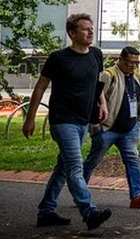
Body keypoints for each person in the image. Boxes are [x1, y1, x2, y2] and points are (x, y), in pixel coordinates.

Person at [22, 13, 113, 230]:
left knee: (63, 168)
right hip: (62, 121)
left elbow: (96, 83)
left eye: (91, 28)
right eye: (85, 29)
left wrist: (102, 103)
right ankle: (89, 212)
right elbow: (41, 87)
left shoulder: (96, 54)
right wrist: (30, 118)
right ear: (72, 33)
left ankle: (46, 211)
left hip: (83, 121)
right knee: (74, 166)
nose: (90, 31)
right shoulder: (58, 58)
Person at [82, 46, 140, 209]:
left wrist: (138, 121)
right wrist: (95, 125)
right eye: (130, 62)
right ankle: (79, 192)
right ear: (121, 60)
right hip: (107, 128)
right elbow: (95, 99)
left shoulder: (135, 75)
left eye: (136, 63)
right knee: (93, 160)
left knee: (132, 160)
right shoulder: (108, 75)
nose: (133, 66)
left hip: (129, 127)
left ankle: (137, 196)